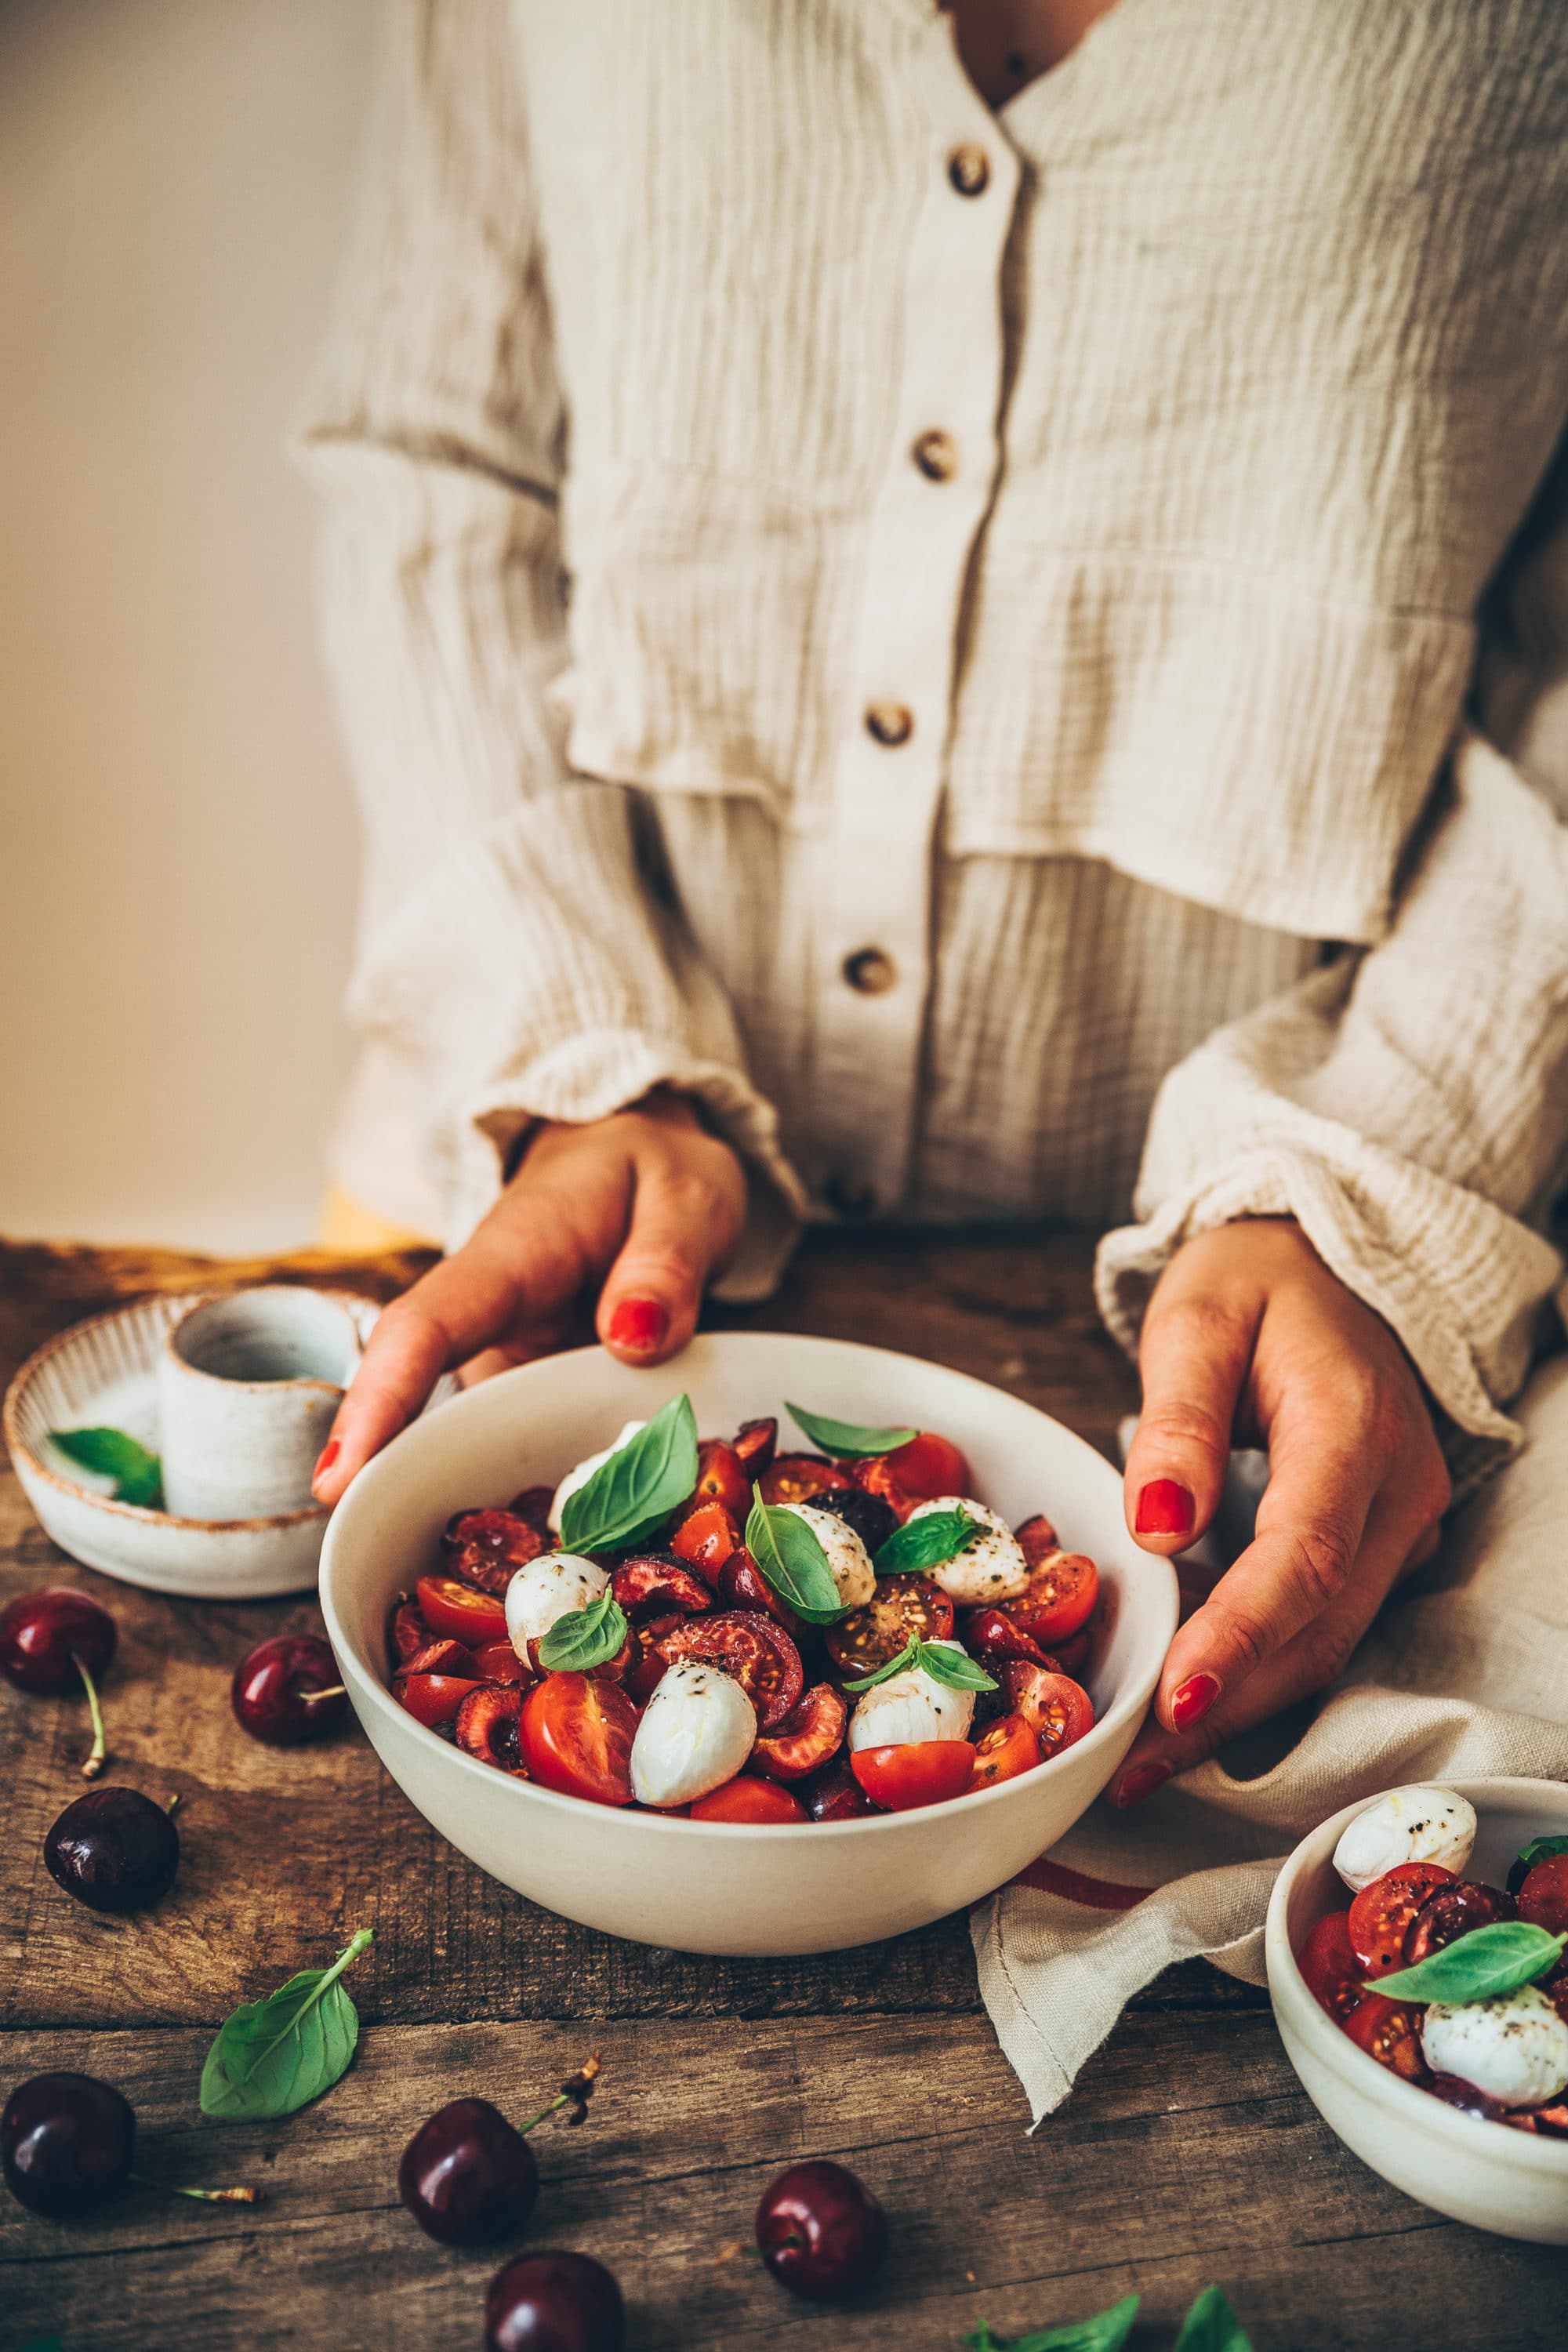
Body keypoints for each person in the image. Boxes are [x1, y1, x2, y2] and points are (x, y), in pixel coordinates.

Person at [296, 1, 1568, 1806]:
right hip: (535, 1218)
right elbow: (430, 460)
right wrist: (570, 1035)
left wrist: (1377, 1162)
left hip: (1275, 1330)